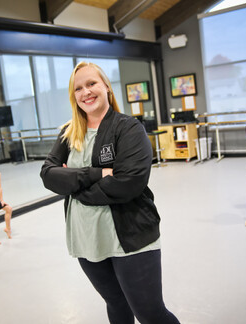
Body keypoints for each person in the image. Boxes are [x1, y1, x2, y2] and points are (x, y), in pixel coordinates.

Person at [40, 62, 180, 324]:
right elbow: (48, 174)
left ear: (106, 86)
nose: (86, 92)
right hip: (86, 239)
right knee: (116, 303)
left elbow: (128, 183)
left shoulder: (128, 128)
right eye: (78, 88)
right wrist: (96, 173)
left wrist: (75, 186)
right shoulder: (68, 133)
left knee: (150, 313)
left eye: (91, 83)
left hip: (130, 237)